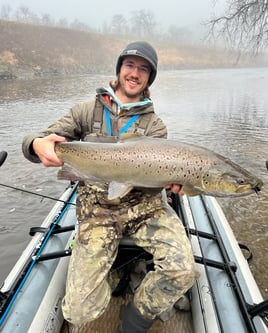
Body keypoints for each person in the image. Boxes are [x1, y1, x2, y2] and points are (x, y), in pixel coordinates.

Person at [22, 41, 195, 332]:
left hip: (144, 208)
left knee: (184, 269)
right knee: (77, 311)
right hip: (97, 211)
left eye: (143, 69)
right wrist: (36, 144)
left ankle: (136, 315)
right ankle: (116, 275)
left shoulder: (155, 126)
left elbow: (155, 184)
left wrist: (176, 184)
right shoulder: (85, 111)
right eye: (130, 65)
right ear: (119, 69)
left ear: (148, 79)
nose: (135, 73)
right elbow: (35, 140)